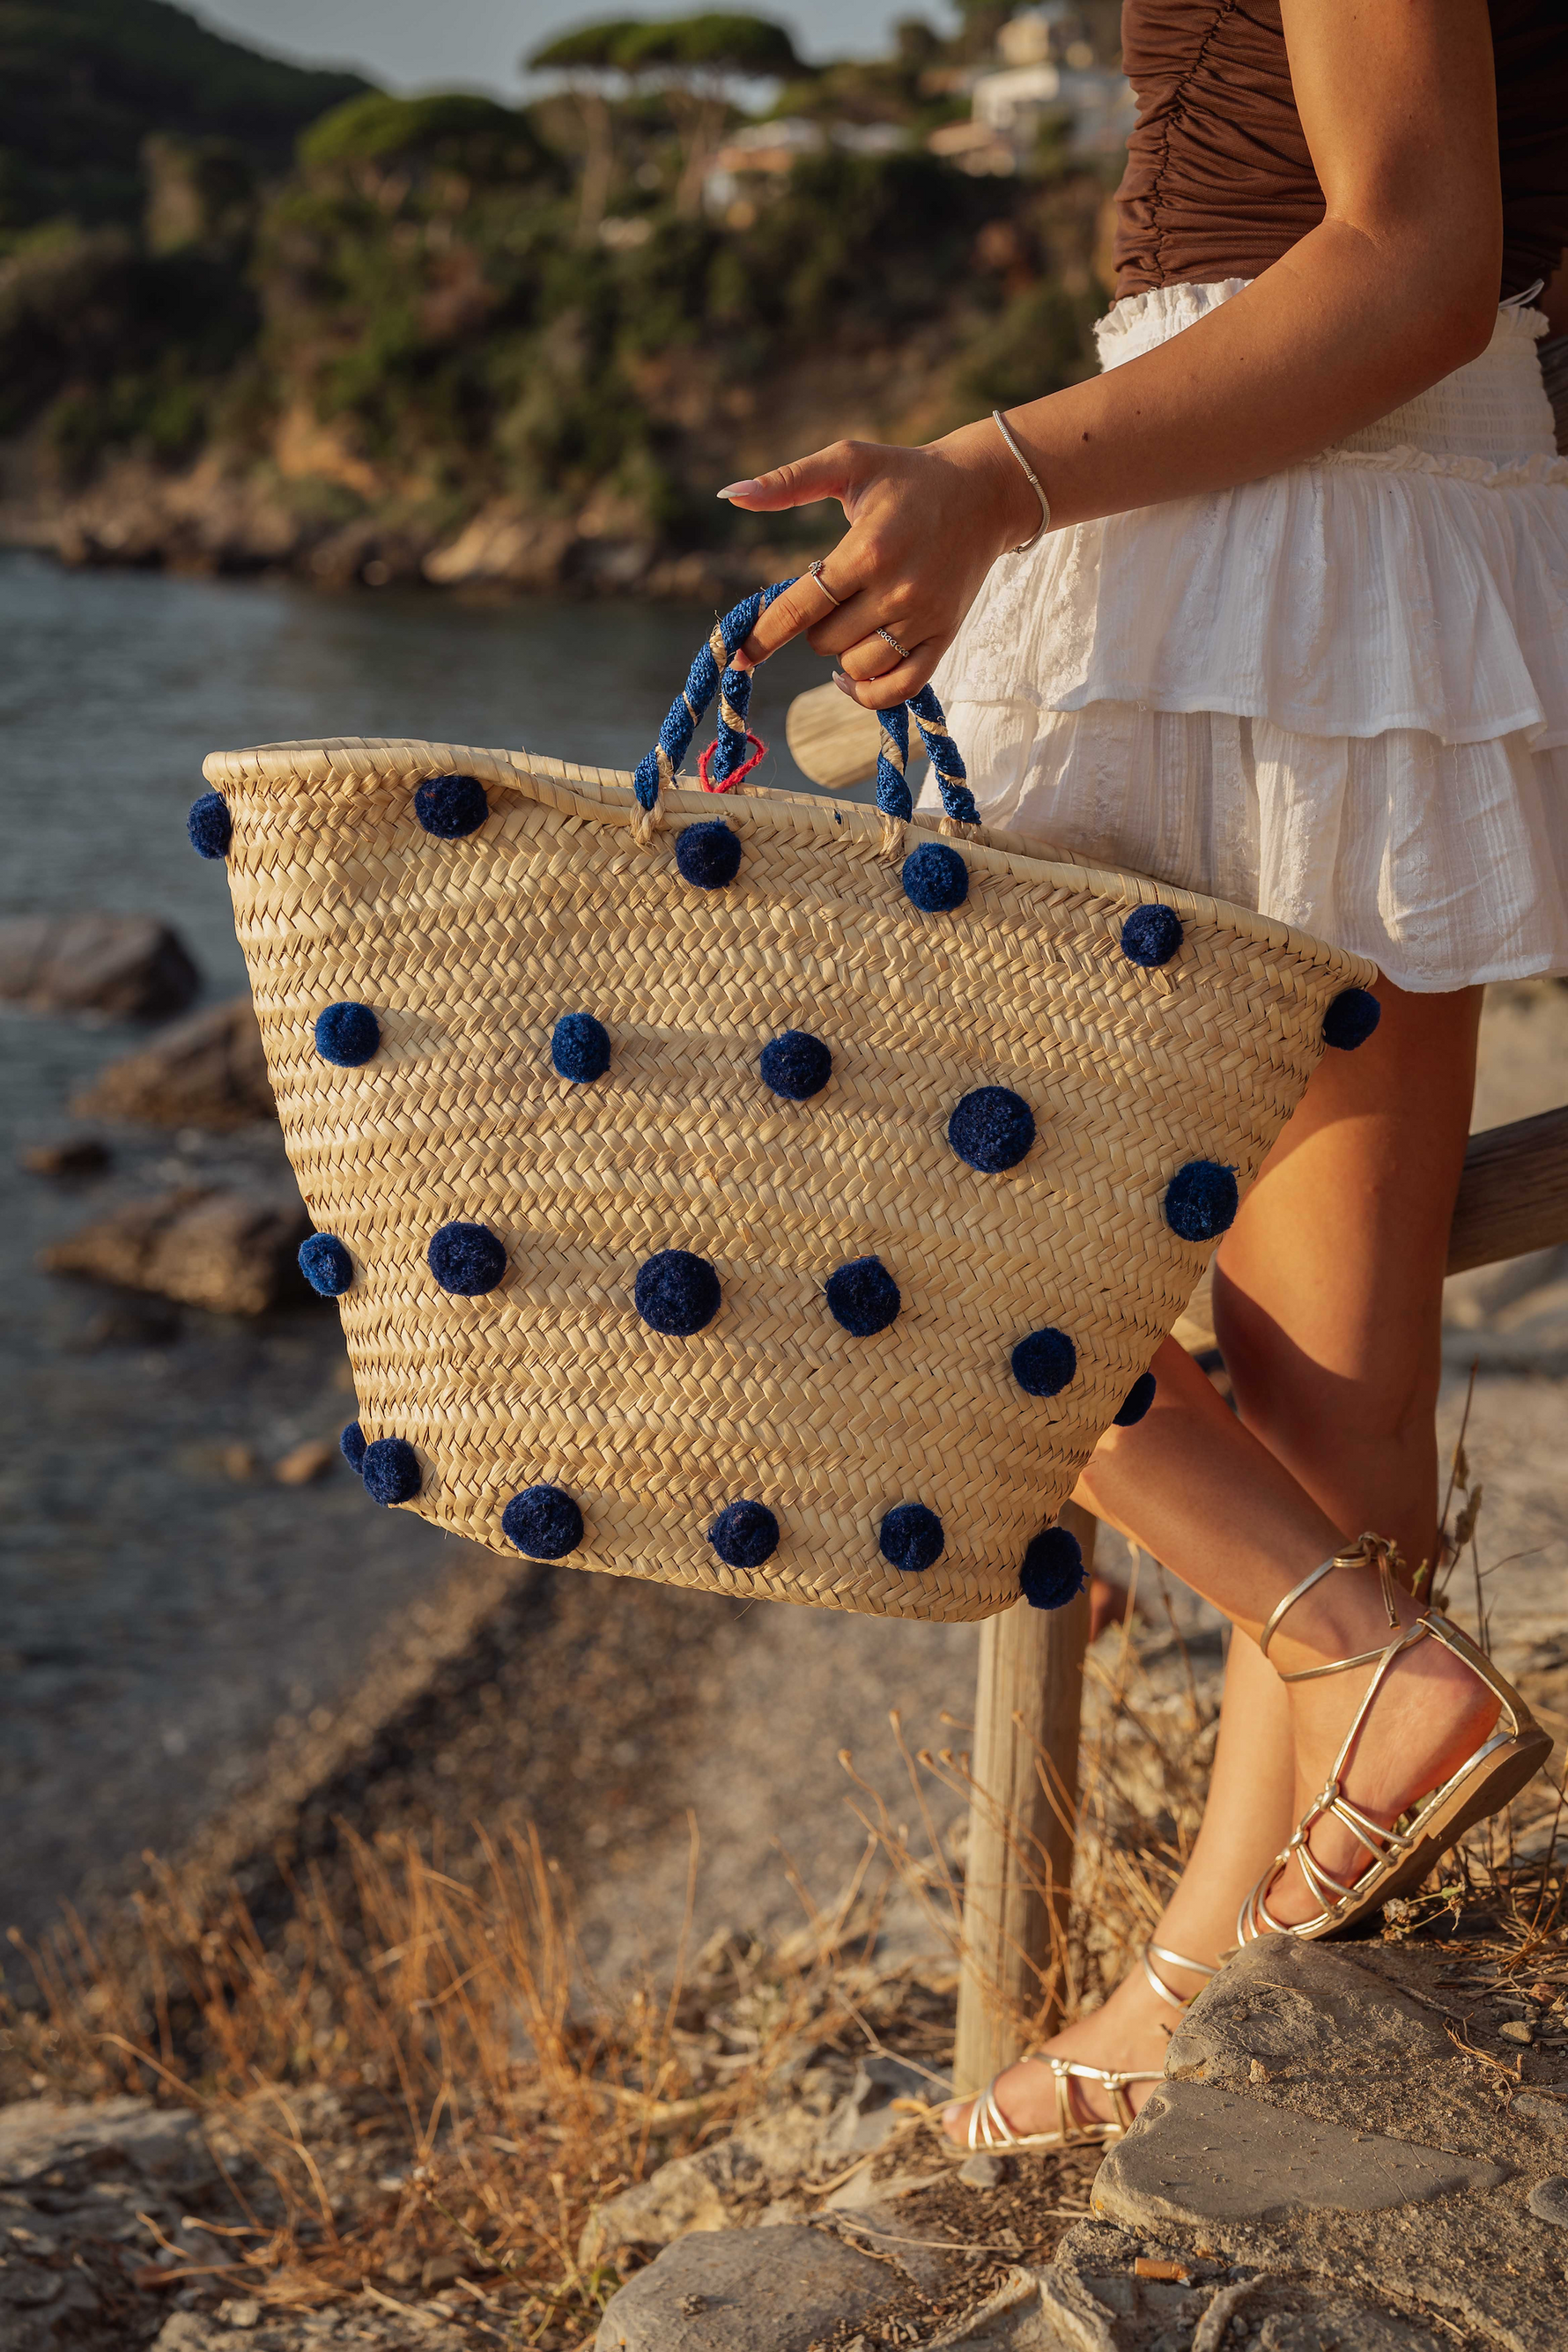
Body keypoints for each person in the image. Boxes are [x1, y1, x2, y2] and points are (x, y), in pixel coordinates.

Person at [717, 0, 1568, 2150]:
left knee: (854, 1188)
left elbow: (1405, 244)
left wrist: (985, 482)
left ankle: (1348, 1660)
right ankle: (1204, 1993)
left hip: (1270, 533)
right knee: (1314, 1396)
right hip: (1402, 542)